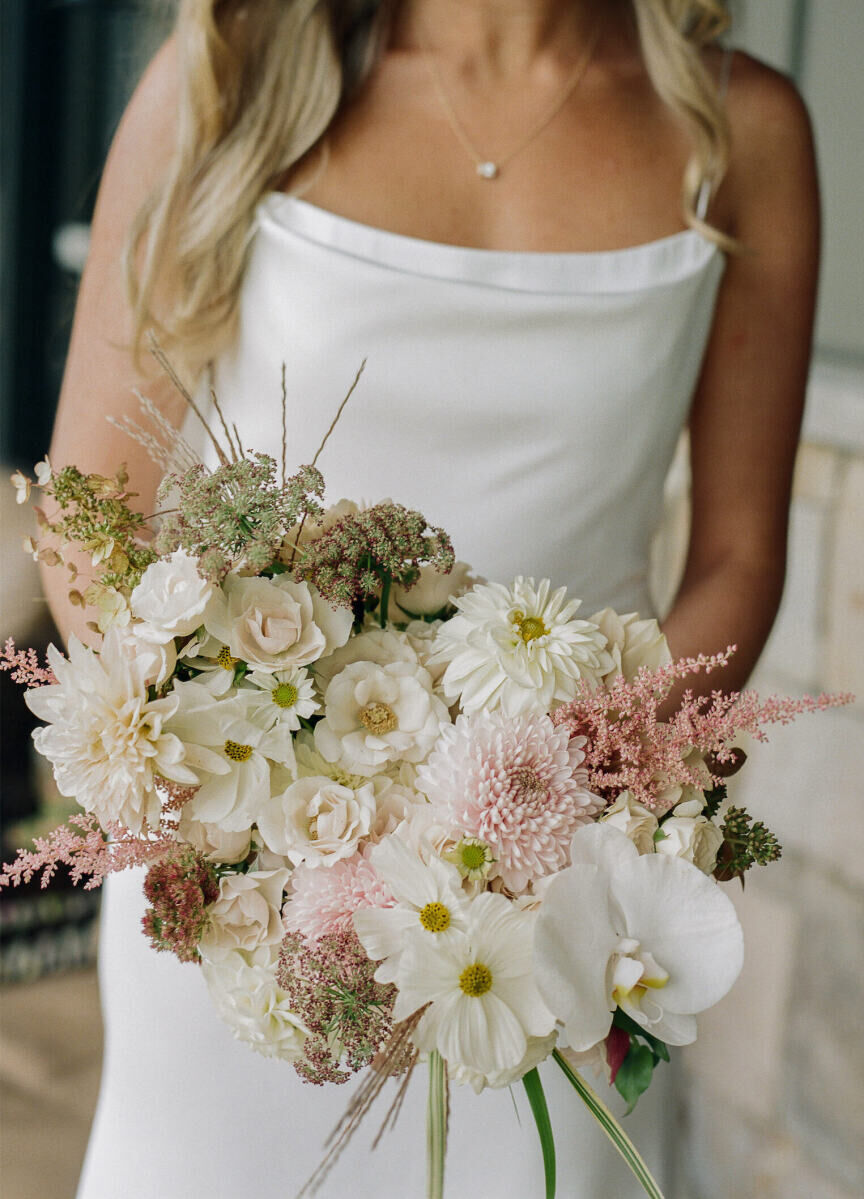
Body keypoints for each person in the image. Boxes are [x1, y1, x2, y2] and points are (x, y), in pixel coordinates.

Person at [44, 1, 819, 1195]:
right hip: (253, 892)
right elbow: (93, 511)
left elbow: (739, 556)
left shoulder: (743, 131)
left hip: (554, 901)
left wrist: (573, 803)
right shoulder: (233, 78)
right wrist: (259, 802)